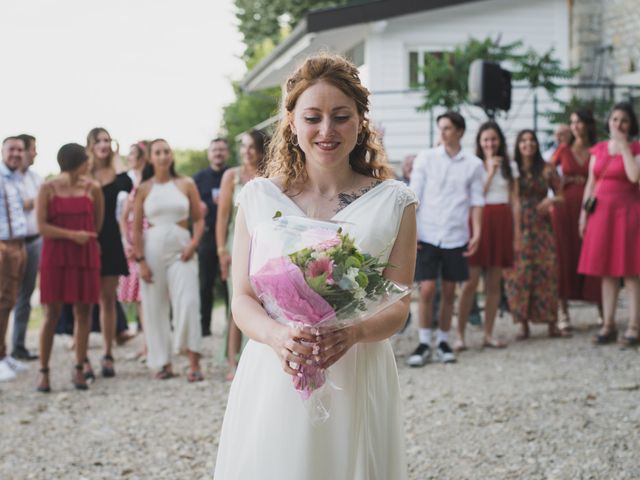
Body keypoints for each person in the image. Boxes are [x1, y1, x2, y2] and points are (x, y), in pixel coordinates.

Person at [214, 54, 416, 480]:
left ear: (361, 121)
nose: (327, 130)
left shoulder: (394, 200)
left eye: (341, 116)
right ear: (291, 122)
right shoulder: (258, 198)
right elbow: (243, 298)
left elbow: (399, 304)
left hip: (356, 366)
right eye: (313, 117)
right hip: (276, 366)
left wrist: (354, 331)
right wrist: (277, 336)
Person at [407, 111, 484, 367]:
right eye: (441, 127)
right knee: (427, 289)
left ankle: (443, 340)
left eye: (448, 128)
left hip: (456, 234)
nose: (442, 132)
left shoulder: (473, 164)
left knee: (450, 290)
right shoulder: (426, 159)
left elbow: (476, 202)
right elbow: (413, 196)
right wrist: (412, 230)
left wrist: (477, 232)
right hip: (428, 233)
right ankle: (423, 341)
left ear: (460, 131)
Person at [133, 139, 204, 381]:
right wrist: (140, 260)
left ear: (171, 156)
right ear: (151, 158)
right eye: (158, 153)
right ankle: (162, 362)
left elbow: (199, 219)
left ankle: (193, 360)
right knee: (154, 307)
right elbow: (135, 229)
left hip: (181, 249)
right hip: (152, 249)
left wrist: (193, 244)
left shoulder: (186, 184)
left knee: (189, 301)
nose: (163, 156)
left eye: (166, 152)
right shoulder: (143, 188)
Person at [36, 143, 104, 392]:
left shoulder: (92, 188)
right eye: (86, 159)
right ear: (79, 161)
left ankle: (79, 369)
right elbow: (42, 226)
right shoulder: (47, 188)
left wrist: (83, 238)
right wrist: (73, 235)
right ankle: (43, 372)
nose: (89, 163)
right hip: (55, 256)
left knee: (83, 313)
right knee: (51, 314)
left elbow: (97, 223)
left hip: (85, 255)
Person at [578, 102, 640, 346]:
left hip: (627, 213)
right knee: (607, 271)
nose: (619, 124)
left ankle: (634, 325)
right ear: (609, 122)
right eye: (615, 119)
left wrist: (624, 147)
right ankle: (609, 324)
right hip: (601, 214)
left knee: (631, 272)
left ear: (631, 124)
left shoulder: (635, 148)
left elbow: (634, 176)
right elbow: (590, 184)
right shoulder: (599, 150)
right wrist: (583, 215)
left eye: (624, 120)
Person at [455, 121, 521, 351]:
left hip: (501, 221)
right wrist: (490, 171)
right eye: (486, 140)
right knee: (470, 282)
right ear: (479, 143)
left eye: (494, 139)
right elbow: (475, 196)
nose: (490, 144)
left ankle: (488, 334)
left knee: (494, 283)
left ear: (500, 141)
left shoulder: (510, 166)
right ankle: (459, 335)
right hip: (480, 220)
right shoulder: (473, 166)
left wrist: (517, 230)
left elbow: (515, 199)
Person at [504, 130, 565, 339]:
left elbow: (561, 194)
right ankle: (522, 323)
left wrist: (550, 201)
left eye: (531, 140)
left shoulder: (547, 168)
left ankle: (551, 321)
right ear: (518, 145)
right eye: (523, 140)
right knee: (518, 274)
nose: (528, 144)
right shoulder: (513, 169)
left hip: (541, 227)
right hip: (517, 224)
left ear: (536, 144)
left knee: (547, 271)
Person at [215, 129, 266, 380]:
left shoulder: (271, 175)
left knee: (261, 302)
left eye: (252, 147)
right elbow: (223, 216)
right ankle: (232, 362)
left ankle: (254, 360)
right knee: (237, 300)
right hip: (236, 243)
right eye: (244, 146)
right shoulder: (231, 176)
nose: (247, 151)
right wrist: (221, 250)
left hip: (263, 246)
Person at [87, 127, 133, 378]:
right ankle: (81, 357)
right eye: (99, 141)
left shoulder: (116, 173)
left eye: (107, 140)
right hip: (88, 239)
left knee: (108, 300)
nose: (103, 145)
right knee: (84, 301)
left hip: (111, 241)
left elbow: (128, 184)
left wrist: (117, 158)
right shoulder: (84, 171)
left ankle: (107, 353)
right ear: (91, 145)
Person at [551, 110, 602, 333]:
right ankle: (563, 312)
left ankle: (602, 307)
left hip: (593, 206)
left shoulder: (598, 150)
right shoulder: (563, 150)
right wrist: (559, 185)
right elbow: (546, 171)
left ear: (588, 124)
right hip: (565, 208)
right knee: (565, 256)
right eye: (572, 122)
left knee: (596, 254)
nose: (575, 126)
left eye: (579, 121)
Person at [193, 138, 229, 337]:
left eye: (222, 150)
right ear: (209, 153)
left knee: (229, 283)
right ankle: (204, 327)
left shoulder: (233, 175)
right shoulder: (198, 178)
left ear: (227, 153)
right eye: (215, 149)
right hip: (207, 236)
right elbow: (189, 205)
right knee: (205, 283)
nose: (218, 153)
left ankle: (230, 325)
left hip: (228, 237)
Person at [0, 137, 29, 382]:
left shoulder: (16, 179)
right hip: (4, 246)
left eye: (20, 150)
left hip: (19, 244)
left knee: (9, 300)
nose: (16, 154)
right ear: (2, 151)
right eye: (12, 149)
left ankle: (3, 353)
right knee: (1, 301)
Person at [11, 134, 43, 361]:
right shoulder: (7, 179)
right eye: (32, 149)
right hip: (11, 244)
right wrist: (31, 202)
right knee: (6, 296)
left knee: (25, 296)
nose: (34, 153)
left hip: (34, 242)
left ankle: (18, 346)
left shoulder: (36, 178)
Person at [118, 142, 149, 358]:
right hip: (132, 239)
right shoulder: (132, 181)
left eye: (132, 154)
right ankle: (148, 344)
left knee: (147, 295)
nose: (129, 157)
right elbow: (123, 216)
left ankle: (151, 344)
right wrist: (126, 242)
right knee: (139, 297)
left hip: (148, 238)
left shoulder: (148, 181)